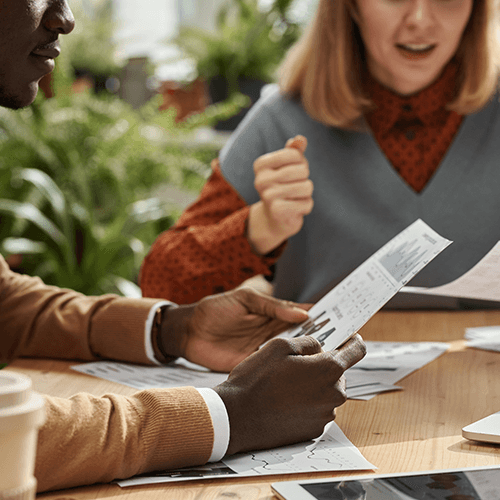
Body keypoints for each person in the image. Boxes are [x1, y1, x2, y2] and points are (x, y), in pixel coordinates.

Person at [0, 0, 367, 494]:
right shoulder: (285, 114)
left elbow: (6, 304)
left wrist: (175, 329)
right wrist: (233, 413)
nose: (64, 17)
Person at [140, 0, 500, 305]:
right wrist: (260, 227)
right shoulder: (281, 121)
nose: (420, 20)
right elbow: (161, 284)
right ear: (351, 8)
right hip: (326, 377)